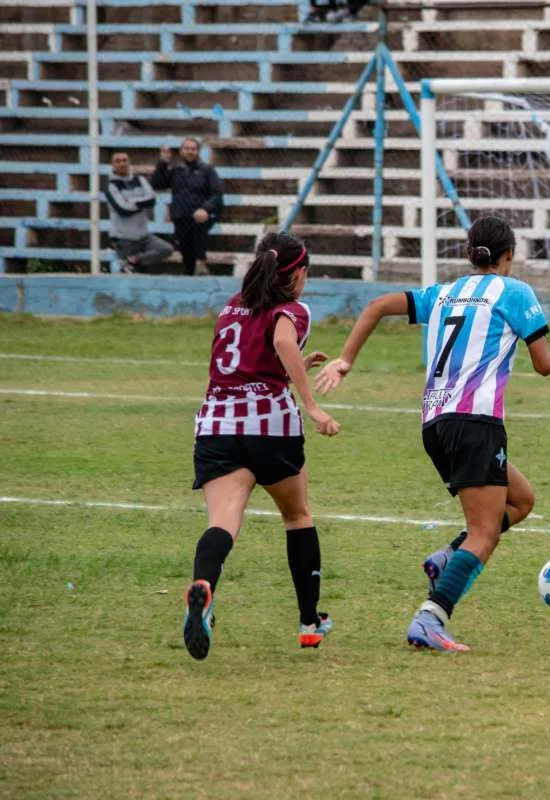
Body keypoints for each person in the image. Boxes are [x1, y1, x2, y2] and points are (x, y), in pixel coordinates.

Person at [314, 217, 550, 653]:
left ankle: (448, 559)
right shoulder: (514, 292)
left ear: (469, 254)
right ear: (509, 256)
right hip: (474, 422)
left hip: (434, 423)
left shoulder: (444, 293)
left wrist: (345, 359)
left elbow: (377, 304)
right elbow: (545, 364)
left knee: (522, 500)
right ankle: (432, 616)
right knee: (485, 532)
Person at [183, 232, 342, 661]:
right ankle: (310, 623)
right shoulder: (292, 308)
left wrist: (293, 372)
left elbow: (248, 364)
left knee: (223, 522)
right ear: (296, 274)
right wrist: (311, 406)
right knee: (296, 515)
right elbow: (281, 342)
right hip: (271, 427)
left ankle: (204, 588)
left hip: (216, 425)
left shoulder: (232, 305)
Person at [151, 137, 223, 276]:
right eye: (187, 149)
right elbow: (157, 184)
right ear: (181, 151)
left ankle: (201, 264)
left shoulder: (207, 170)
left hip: (200, 215)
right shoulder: (175, 170)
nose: (190, 152)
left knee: (198, 241)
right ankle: (189, 272)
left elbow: (217, 193)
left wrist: (205, 208)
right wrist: (162, 163)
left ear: (198, 151)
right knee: (184, 248)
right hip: (180, 215)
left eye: (193, 149)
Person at [104, 151, 173, 273]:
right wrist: (141, 202)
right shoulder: (111, 186)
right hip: (123, 238)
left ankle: (134, 259)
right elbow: (122, 209)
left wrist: (131, 202)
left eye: (124, 160)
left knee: (166, 249)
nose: (122, 164)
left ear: (129, 162)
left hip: (143, 235)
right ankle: (130, 263)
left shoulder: (140, 179)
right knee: (130, 274)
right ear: (112, 165)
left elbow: (151, 200)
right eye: (118, 161)